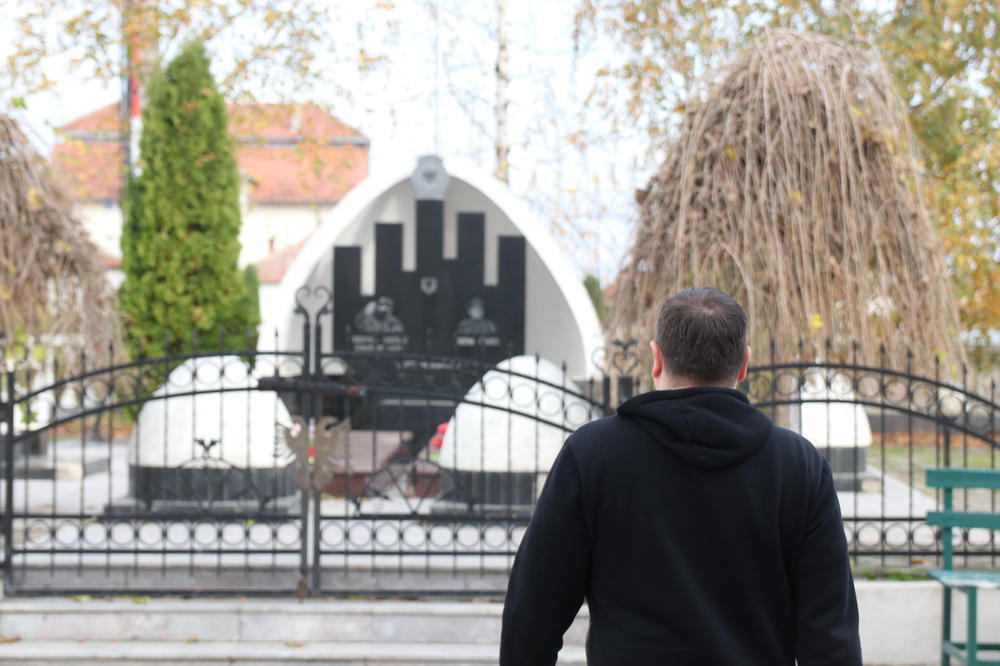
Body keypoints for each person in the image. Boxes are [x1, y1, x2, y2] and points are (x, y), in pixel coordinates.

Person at [499, 287, 862, 665]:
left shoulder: (592, 455)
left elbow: (533, 611)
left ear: (656, 358)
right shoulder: (799, 466)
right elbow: (831, 634)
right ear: (743, 365)